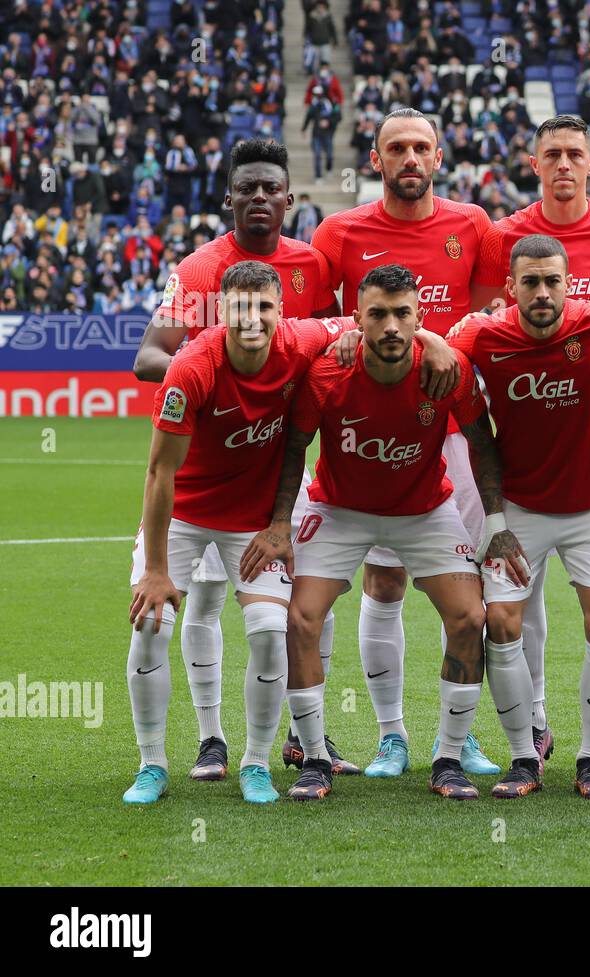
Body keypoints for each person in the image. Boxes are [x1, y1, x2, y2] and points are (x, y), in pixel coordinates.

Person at [243, 264, 529, 801]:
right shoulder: (329, 372)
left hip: (424, 510)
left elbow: (481, 440)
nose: (391, 327)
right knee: (300, 618)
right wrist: (281, 523)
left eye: (403, 315)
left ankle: (447, 758)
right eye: (378, 314)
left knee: (470, 617)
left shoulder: (447, 369)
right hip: (340, 509)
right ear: (358, 319)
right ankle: (315, 761)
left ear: (421, 320)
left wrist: (496, 523)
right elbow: (295, 443)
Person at [129, 138, 363, 781]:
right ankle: (210, 740)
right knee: (197, 606)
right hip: (204, 464)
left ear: (289, 199)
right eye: (247, 189)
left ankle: (301, 735)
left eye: (271, 189)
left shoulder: (312, 266)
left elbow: (331, 339)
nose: (259, 198)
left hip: (275, 473)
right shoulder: (202, 269)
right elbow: (149, 356)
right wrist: (212, 369)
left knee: (308, 605)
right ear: (229, 198)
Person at [469, 115, 590, 776]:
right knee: (529, 581)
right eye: (551, 153)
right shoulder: (506, 237)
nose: (562, 164)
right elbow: (478, 322)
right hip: (529, 432)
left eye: (574, 154)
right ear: (533, 160)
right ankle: (537, 721)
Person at [311, 107, 504, 777]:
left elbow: (479, 319)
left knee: (467, 584)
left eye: (422, 146)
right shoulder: (339, 230)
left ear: (440, 155)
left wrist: (441, 346)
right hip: (373, 426)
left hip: (454, 427)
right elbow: (321, 321)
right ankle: (391, 734)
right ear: (376, 159)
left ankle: (462, 734)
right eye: (398, 148)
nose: (411, 158)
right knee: (385, 579)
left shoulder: (472, 224)